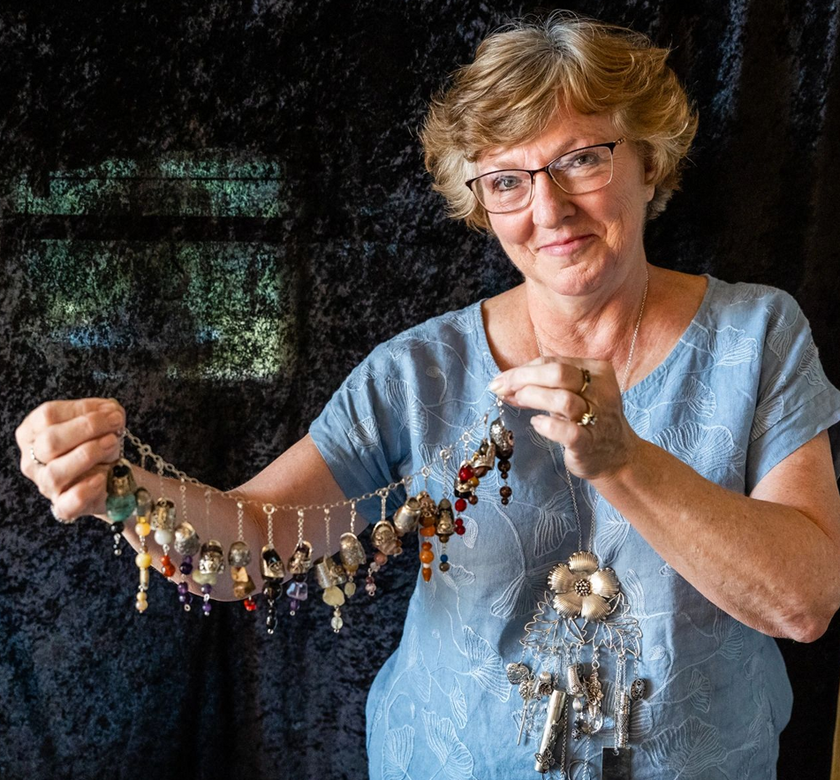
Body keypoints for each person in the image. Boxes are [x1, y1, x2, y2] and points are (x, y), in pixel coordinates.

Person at [16, 13, 840, 779]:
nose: (547, 207)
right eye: (506, 181)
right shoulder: (418, 371)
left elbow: (804, 603)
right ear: (480, 203)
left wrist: (625, 463)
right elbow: (260, 542)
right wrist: (123, 490)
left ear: (649, 158)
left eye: (582, 159)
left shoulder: (757, 336)